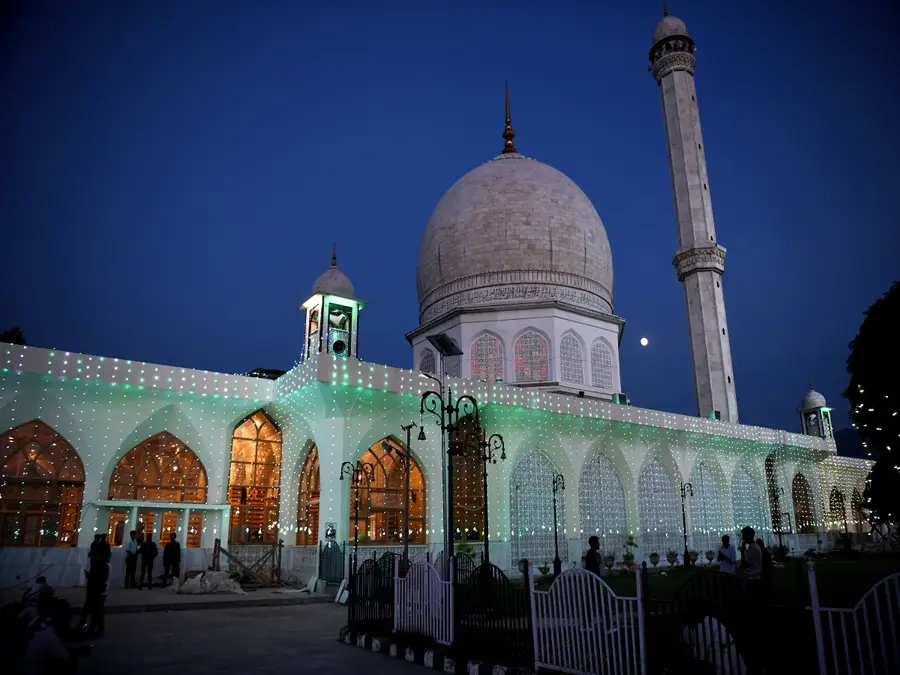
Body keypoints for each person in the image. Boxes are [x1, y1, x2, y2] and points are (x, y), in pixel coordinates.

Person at [79, 557, 108, 638]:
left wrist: (89, 577)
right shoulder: (101, 566)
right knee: (94, 612)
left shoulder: (101, 566)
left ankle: (91, 630)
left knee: (95, 612)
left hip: (96, 592)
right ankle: (91, 630)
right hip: (95, 591)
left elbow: (99, 580)